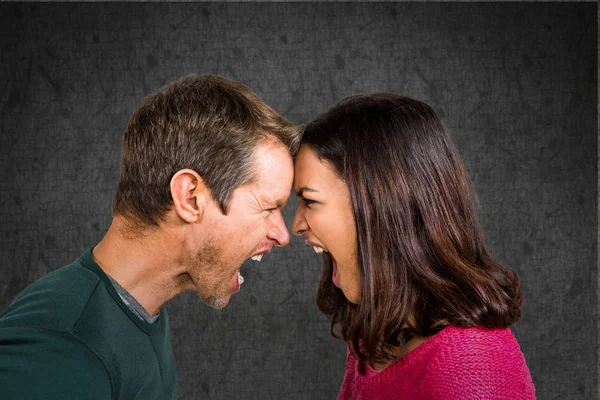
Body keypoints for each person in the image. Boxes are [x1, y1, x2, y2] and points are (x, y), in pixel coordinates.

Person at [0, 74, 301, 399]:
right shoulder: (61, 353)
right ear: (190, 198)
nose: (282, 234)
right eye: (268, 207)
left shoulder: (138, 312)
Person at [292, 93, 536, 399]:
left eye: (309, 201)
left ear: (379, 201)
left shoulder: (471, 367)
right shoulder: (375, 340)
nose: (296, 224)